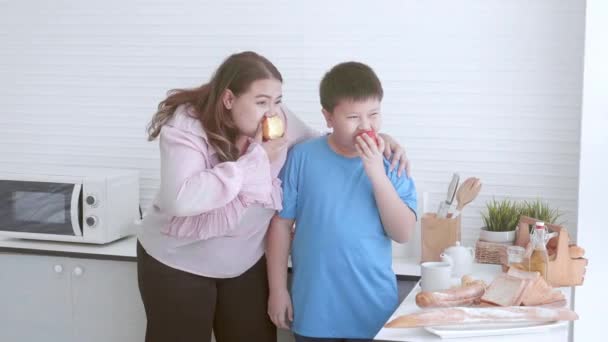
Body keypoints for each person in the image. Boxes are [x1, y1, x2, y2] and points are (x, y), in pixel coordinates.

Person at [137, 51, 411, 342]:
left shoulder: (276, 118)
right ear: (229, 100)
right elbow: (182, 198)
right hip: (179, 262)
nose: (272, 112)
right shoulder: (187, 125)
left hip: (242, 262)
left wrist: (381, 139)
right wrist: (253, 163)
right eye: (261, 102)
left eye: (277, 101)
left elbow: (325, 141)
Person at [266, 61, 418, 341]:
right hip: (314, 311)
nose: (366, 126)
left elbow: (403, 233)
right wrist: (278, 290)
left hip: (374, 311)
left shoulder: (392, 162)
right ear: (328, 117)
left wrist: (375, 171)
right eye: (353, 117)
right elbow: (281, 226)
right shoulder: (302, 157)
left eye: (374, 114)